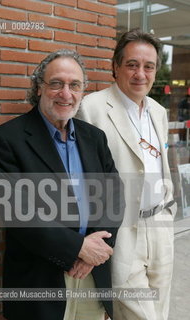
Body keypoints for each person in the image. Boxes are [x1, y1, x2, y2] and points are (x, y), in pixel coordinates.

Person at [0, 49, 124, 320]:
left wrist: (93, 253)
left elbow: (115, 197)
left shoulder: (94, 138)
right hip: (40, 279)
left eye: (74, 85)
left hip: (90, 275)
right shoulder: (7, 139)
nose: (66, 93)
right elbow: (16, 212)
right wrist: (78, 248)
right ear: (39, 87)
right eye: (56, 83)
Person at [77, 29, 177, 320]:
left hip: (160, 227)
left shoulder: (158, 111)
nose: (140, 74)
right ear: (116, 66)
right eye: (132, 64)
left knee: (160, 309)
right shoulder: (90, 108)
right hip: (122, 234)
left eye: (149, 66)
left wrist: (167, 213)